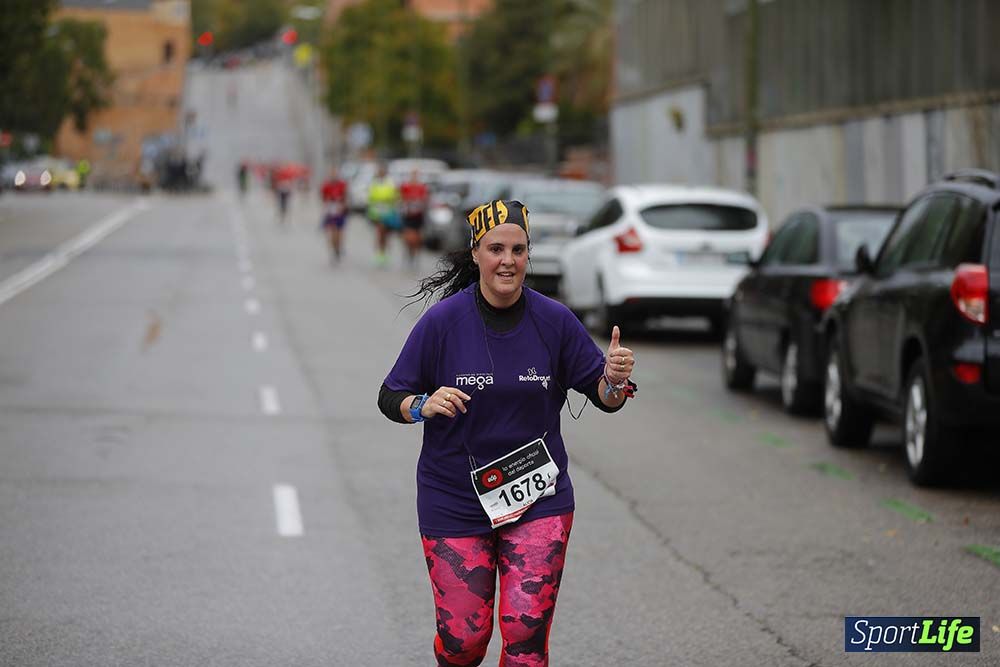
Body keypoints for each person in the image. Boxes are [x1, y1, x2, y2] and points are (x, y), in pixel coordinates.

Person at [378, 200, 637, 666]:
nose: (508, 260)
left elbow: (603, 395)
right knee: (463, 643)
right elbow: (390, 395)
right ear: (476, 253)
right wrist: (422, 404)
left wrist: (614, 379)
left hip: (539, 500)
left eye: (519, 249)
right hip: (453, 499)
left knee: (525, 641)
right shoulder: (443, 323)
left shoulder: (554, 321)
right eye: (496, 248)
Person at [367, 164, 400, 267]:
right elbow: (370, 196)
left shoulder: (390, 183)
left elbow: (395, 196)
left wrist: (389, 201)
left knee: (385, 234)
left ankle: (384, 251)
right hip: (376, 212)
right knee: (380, 231)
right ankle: (380, 253)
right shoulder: (374, 182)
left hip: (387, 212)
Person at [399, 169, 429, 267]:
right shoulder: (405, 186)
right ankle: (408, 254)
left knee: (417, 238)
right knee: (408, 237)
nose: (414, 177)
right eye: (413, 175)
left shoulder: (422, 187)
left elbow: (425, 199)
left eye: (416, 175)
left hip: (418, 216)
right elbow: (400, 198)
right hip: (408, 215)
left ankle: (415, 255)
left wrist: (421, 204)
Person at [319, 168, 349, 262]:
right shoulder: (326, 185)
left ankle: (339, 246)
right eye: (332, 174)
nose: (333, 176)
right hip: (330, 210)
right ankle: (333, 248)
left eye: (335, 174)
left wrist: (343, 205)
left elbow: (346, 196)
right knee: (332, 231)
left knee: (340, 231)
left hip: (340, 209)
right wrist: (326, 206)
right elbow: (323, 198)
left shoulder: (342, 184)